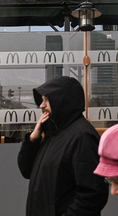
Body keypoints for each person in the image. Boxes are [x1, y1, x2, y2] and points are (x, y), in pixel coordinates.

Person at [18, 76, 109, 216]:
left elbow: (93, 194)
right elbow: (27, 171)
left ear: (61, 100)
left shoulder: (82, 136)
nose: (41, 105)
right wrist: (32, 140)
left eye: (46, 100)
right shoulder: (52, 134)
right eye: (42, 100)